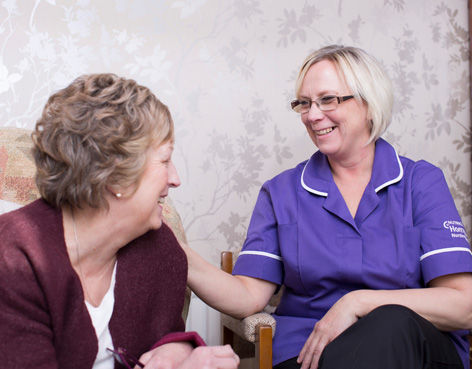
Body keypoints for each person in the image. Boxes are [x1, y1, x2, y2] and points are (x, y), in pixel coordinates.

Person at [182, 45, 472, 369]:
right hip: (308, 356)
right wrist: (180, 254)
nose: (312, 115)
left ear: (369, 103)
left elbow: (464, 305)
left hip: (413, 354)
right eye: (304, 103)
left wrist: (358, 303)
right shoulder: (281, 193)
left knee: (391, 322)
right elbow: (248, 295)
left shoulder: (421, 182)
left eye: (328, 99)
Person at [0, 73, 239, 369]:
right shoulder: (13, 256)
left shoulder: (160, 249)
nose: (175, 180)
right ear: (115, 176)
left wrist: (176, 348)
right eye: (164, 161)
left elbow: (163, 335)